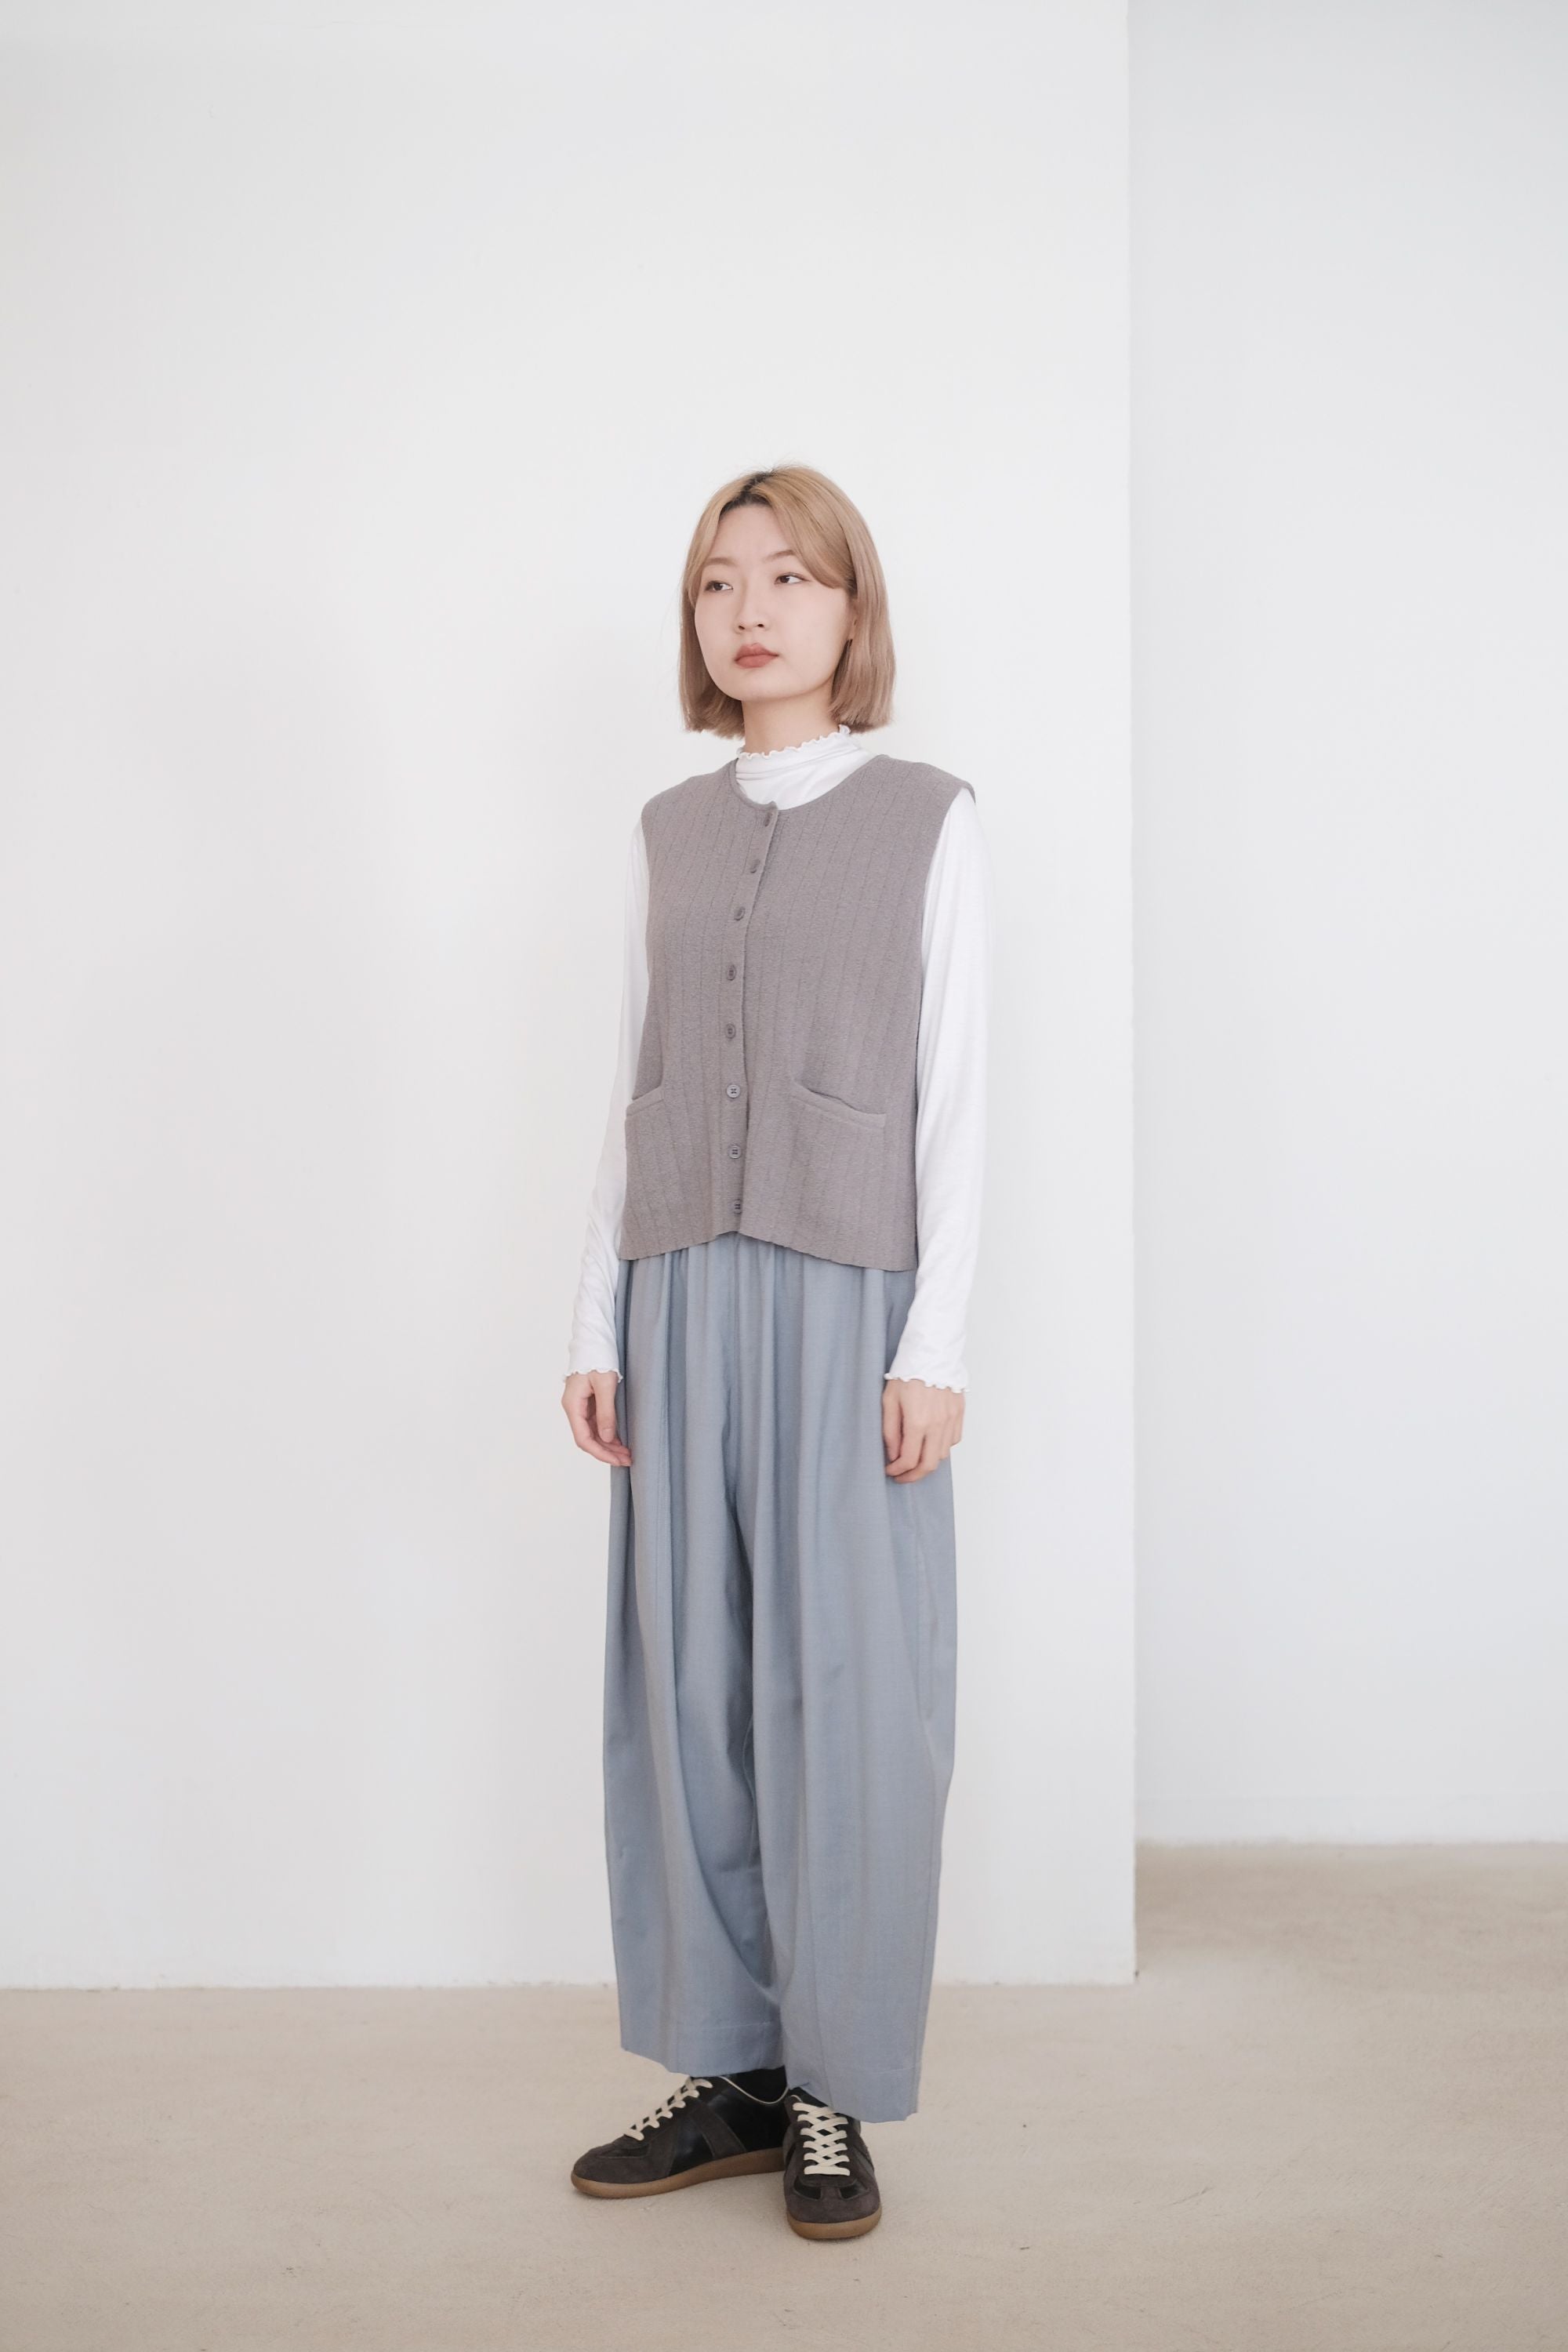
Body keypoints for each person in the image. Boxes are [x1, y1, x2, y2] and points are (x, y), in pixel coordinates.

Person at [560, 463, 991, 2241]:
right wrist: (594, 1316)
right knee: (688, 1693)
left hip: (847, 1294)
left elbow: (961, 1094)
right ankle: (733, 2072)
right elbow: (633, 1073)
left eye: (791, 577)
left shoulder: (929, 818)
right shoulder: (666, 828)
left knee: (851, 1698)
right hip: (677, 1287)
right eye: (720, 582)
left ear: (850, 609)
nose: (751, 610)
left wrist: (934, 1341)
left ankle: (835, 2089)